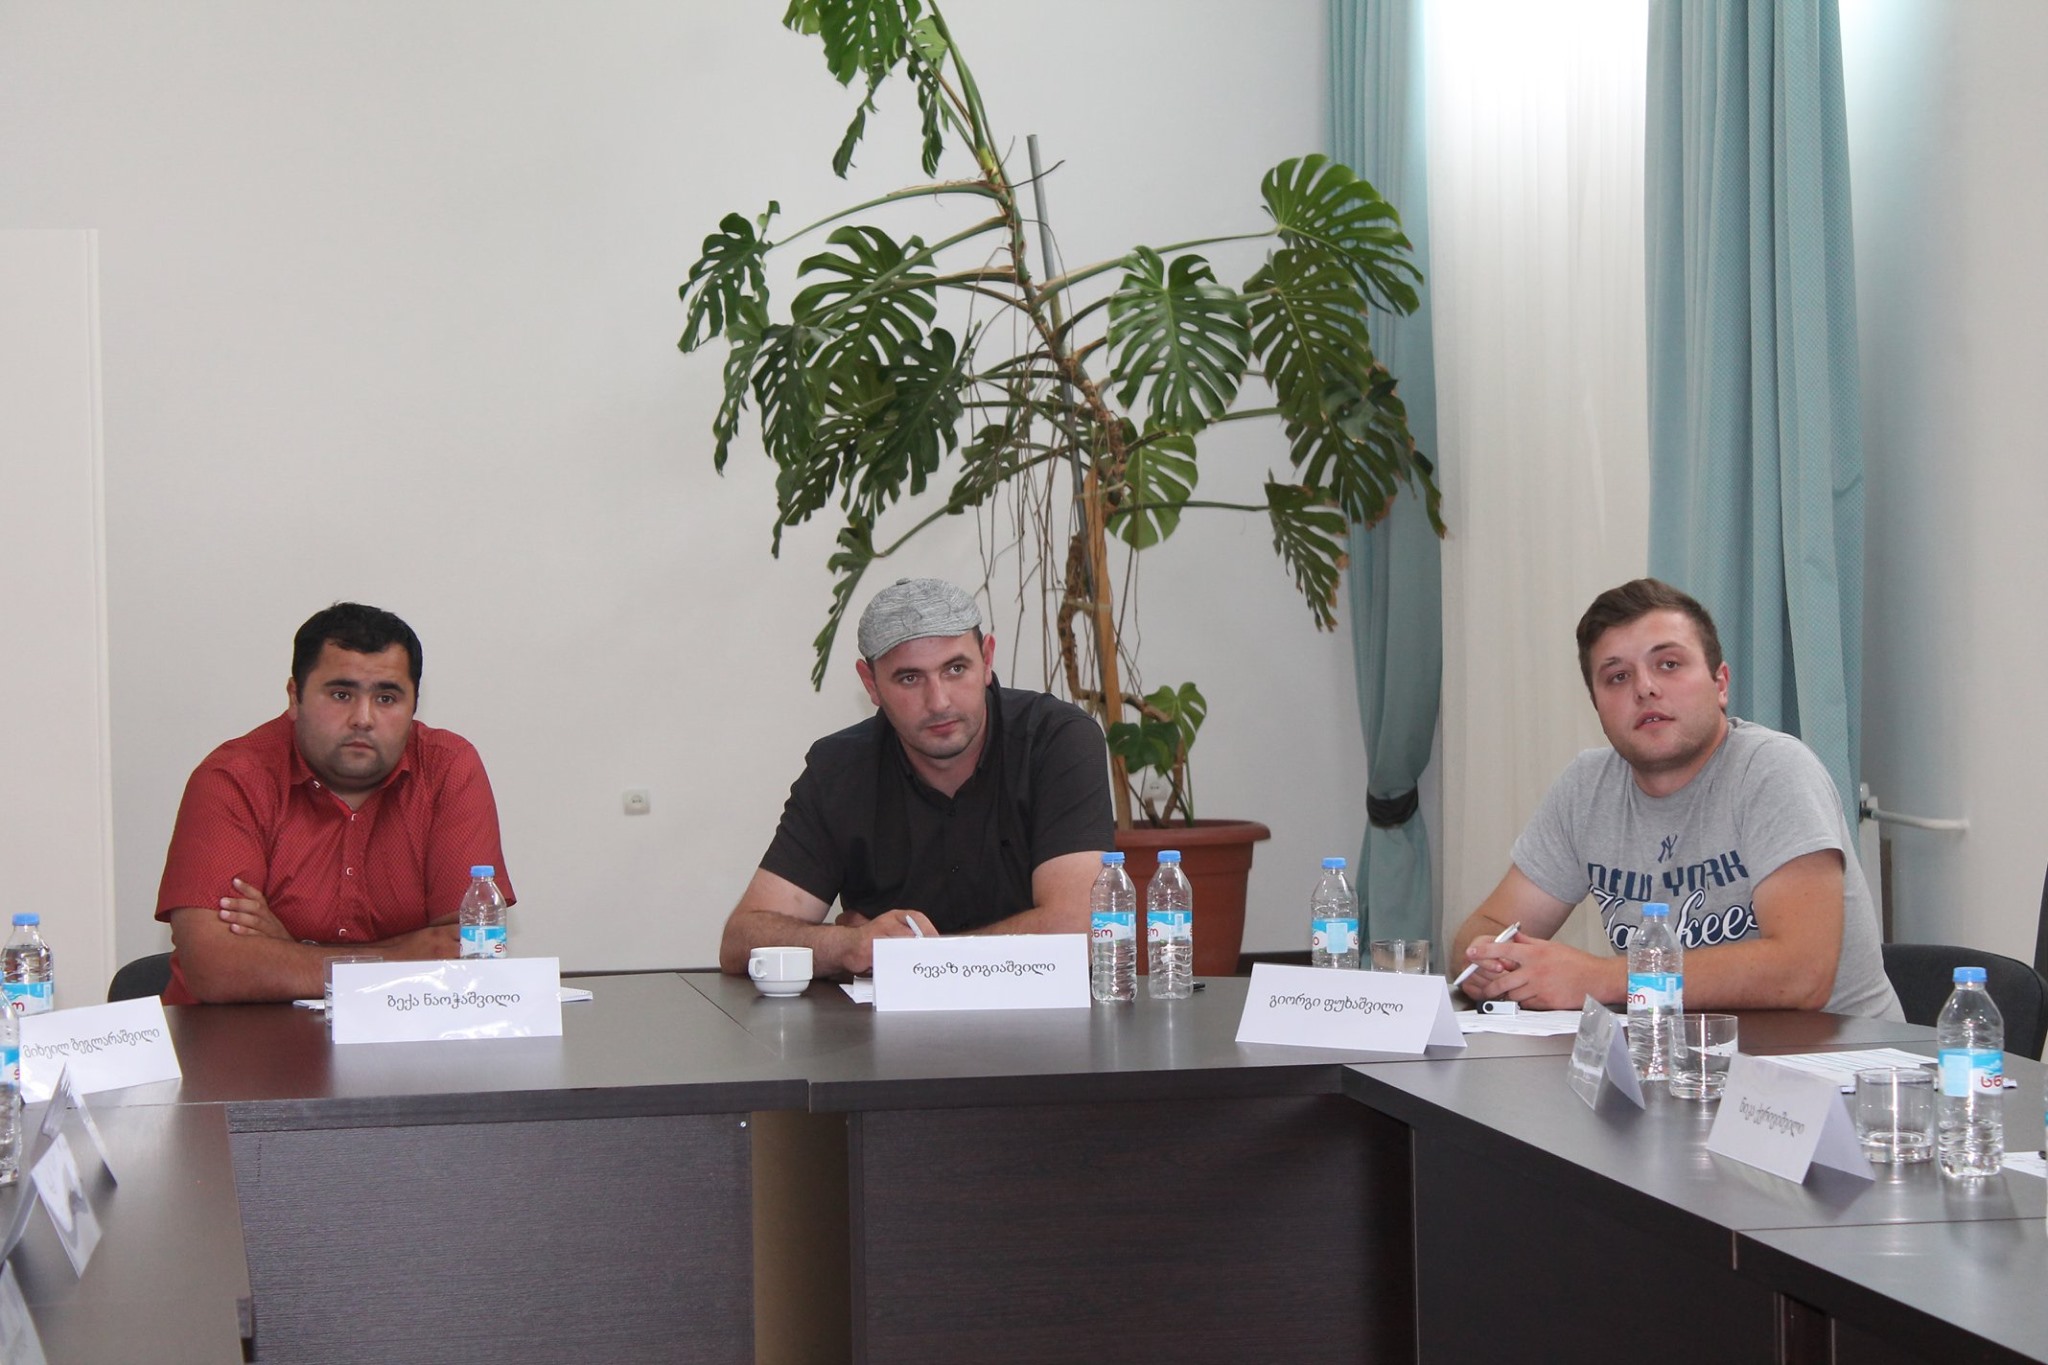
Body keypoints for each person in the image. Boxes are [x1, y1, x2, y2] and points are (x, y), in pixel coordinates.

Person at [1451, 578, 1901, 1019]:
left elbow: (1802, 974)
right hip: (1681, 1056)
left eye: (1668, 664)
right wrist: (1489, 962)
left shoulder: (1773, 770)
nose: (1644, 688)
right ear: (1597, 706)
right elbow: (1483, 931)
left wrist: (1600, 978)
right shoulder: (1585, 789)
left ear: (1720, 684)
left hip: (1836, 1061)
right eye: (1617, 676)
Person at [720, 578, 1115, 977]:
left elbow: (1078, 930)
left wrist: (915, 958)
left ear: (987, 660)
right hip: (880, 1019)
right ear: (871, 684)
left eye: (956, 669)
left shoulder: (1056, 740)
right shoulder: (839, 769)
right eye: (909, 678)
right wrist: (847, 945)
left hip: (1043, 1013)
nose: (938, 702)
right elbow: (741, 940)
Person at [155, 603, 513, 1004]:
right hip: (237, 1035)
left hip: (401, 1032)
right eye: (341, 695)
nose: (363, 718)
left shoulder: (447, 768)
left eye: (386, 698)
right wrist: (404, 956)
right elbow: (217, 969)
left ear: (414, 704)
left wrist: (291, 951)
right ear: (295, 697)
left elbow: (467, 954)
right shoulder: (234, 778)